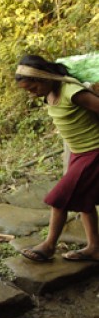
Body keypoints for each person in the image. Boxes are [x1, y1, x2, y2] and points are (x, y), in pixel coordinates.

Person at [15, 54, 99, 263]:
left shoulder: (72, 92)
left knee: (59, 199)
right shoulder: (49, 93)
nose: (33, 95)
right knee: (85, 202)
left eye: (33, 89)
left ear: (44, 77)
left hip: (94, 151)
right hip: (78, 152)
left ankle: (49, 246)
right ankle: (95, 248)